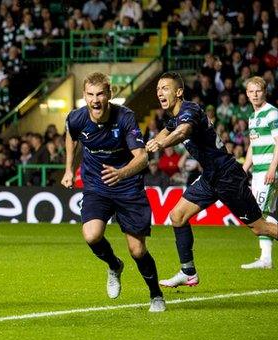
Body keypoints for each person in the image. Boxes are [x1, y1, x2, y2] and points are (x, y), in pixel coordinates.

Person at [146, 72, 278, 288]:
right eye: (158, 88)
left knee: (260, 228)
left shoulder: (190, 110)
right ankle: (188, 272)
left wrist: (161, 145)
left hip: (227, 175)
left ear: (178, 92)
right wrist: (143, 151)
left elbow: (181, 133)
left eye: (165, 88)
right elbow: (164, 133)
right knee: (177, 216)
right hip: (210, 176)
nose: (160, 92)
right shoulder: (175, 117)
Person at [61, 72, 165, 312]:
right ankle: (114, 265)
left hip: (127, 186)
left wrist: (122, 173)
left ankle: (156, 295)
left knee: (137, 250)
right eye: (89, 95)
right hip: (96, 185)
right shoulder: (76, 118)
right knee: (91, 235)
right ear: (84, 96)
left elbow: (142, 157)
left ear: (110, 94)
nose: (95, 100)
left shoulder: (125, 118)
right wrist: (69, 169)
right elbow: (71, 137)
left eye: (100, 94)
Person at [240, 77, 278, 269]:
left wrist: (272, 168)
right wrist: (244, 169)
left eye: (258, 91)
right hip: (258, 172)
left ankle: (265, 259)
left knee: (259, 214)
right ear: (247, 94)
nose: (255, 95)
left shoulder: (272, 113)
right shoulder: (253, 117)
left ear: (265, 91)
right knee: (267, 214)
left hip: (269, 172)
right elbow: (253, 146)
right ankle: (266, 258)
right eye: (251, 91)